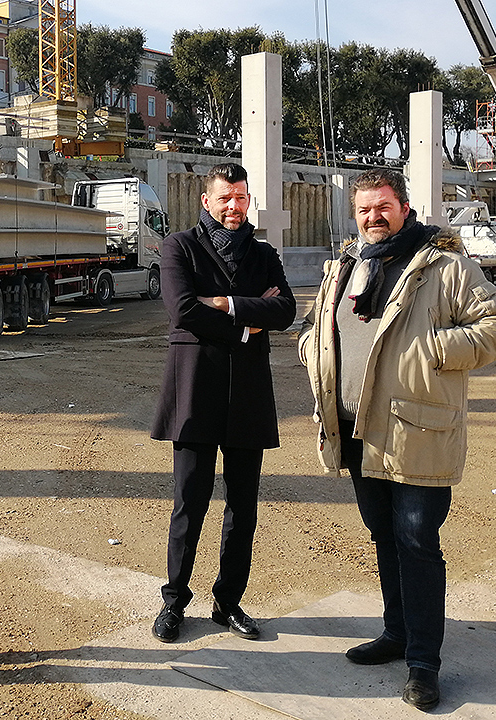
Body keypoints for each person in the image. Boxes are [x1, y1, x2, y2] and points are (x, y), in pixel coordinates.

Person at [298, 169, 496, 711]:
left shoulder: (442, 265)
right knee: (383, 535)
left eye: (384, 206)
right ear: (355, 212)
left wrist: (432, 349)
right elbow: (314, 324)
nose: (374, 217)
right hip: (356, 427)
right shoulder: (348, 263)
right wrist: (311, 349)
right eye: (365, 208)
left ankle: (423, 663)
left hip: (416, 430)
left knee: (417, 543)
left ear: (405, 206)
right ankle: (396, 634)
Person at [150, 163, 297, 644]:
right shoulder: (179, 246)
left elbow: (287, 309)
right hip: (195, 389)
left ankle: (228, 602)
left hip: (248, 393)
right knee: (188, 502)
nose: (234, 207)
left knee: (243, 507)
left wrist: (225, 304)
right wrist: (248, 318)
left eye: (241, 197)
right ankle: (174, 601)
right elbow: (182, 308)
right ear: (206, 201)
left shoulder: (263, 253)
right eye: (225, 198)